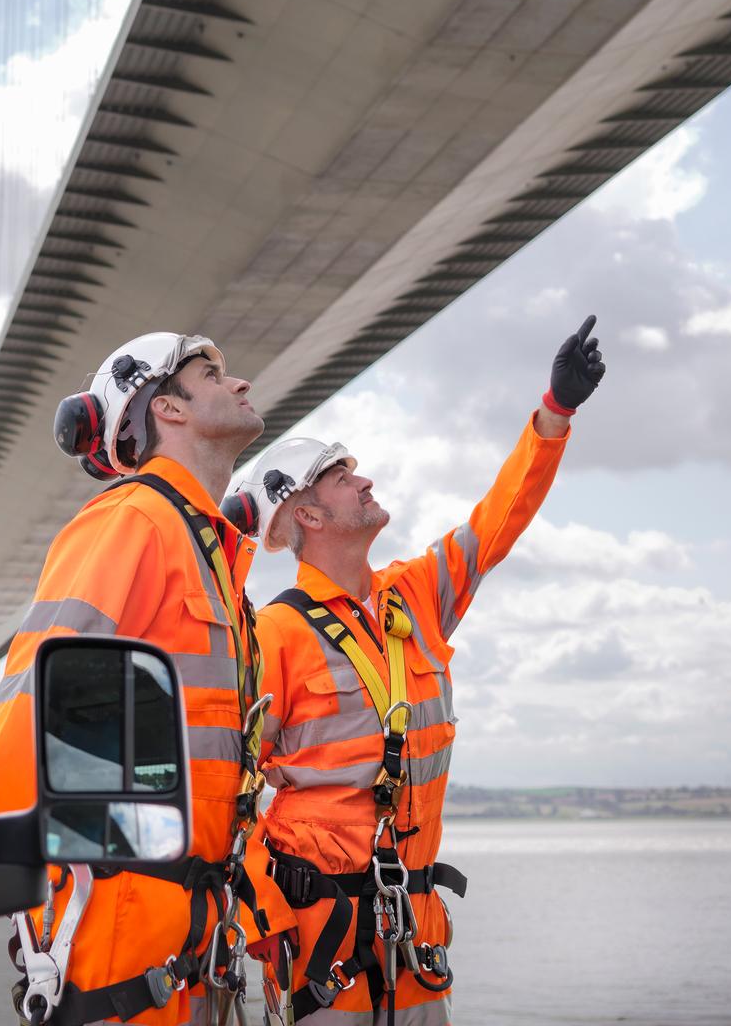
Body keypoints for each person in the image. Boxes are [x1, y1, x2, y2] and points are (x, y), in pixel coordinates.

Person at [225, 316, 607, 1024]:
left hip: (416, 941)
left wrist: (554, 415)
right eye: (342, 477)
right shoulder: (274, 633)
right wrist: (260, 912)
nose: (363, 479)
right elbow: (226, 789)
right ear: (306, 512)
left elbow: (496, 523)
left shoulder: (415, 596)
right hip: (321, 947)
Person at [0, 331, 296, 1025]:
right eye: (213, 373)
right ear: (168, 410)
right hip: (119, 937)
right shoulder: (133, 521)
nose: (239, 384)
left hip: (191, 937)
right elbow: (28, 701)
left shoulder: (212, 556)